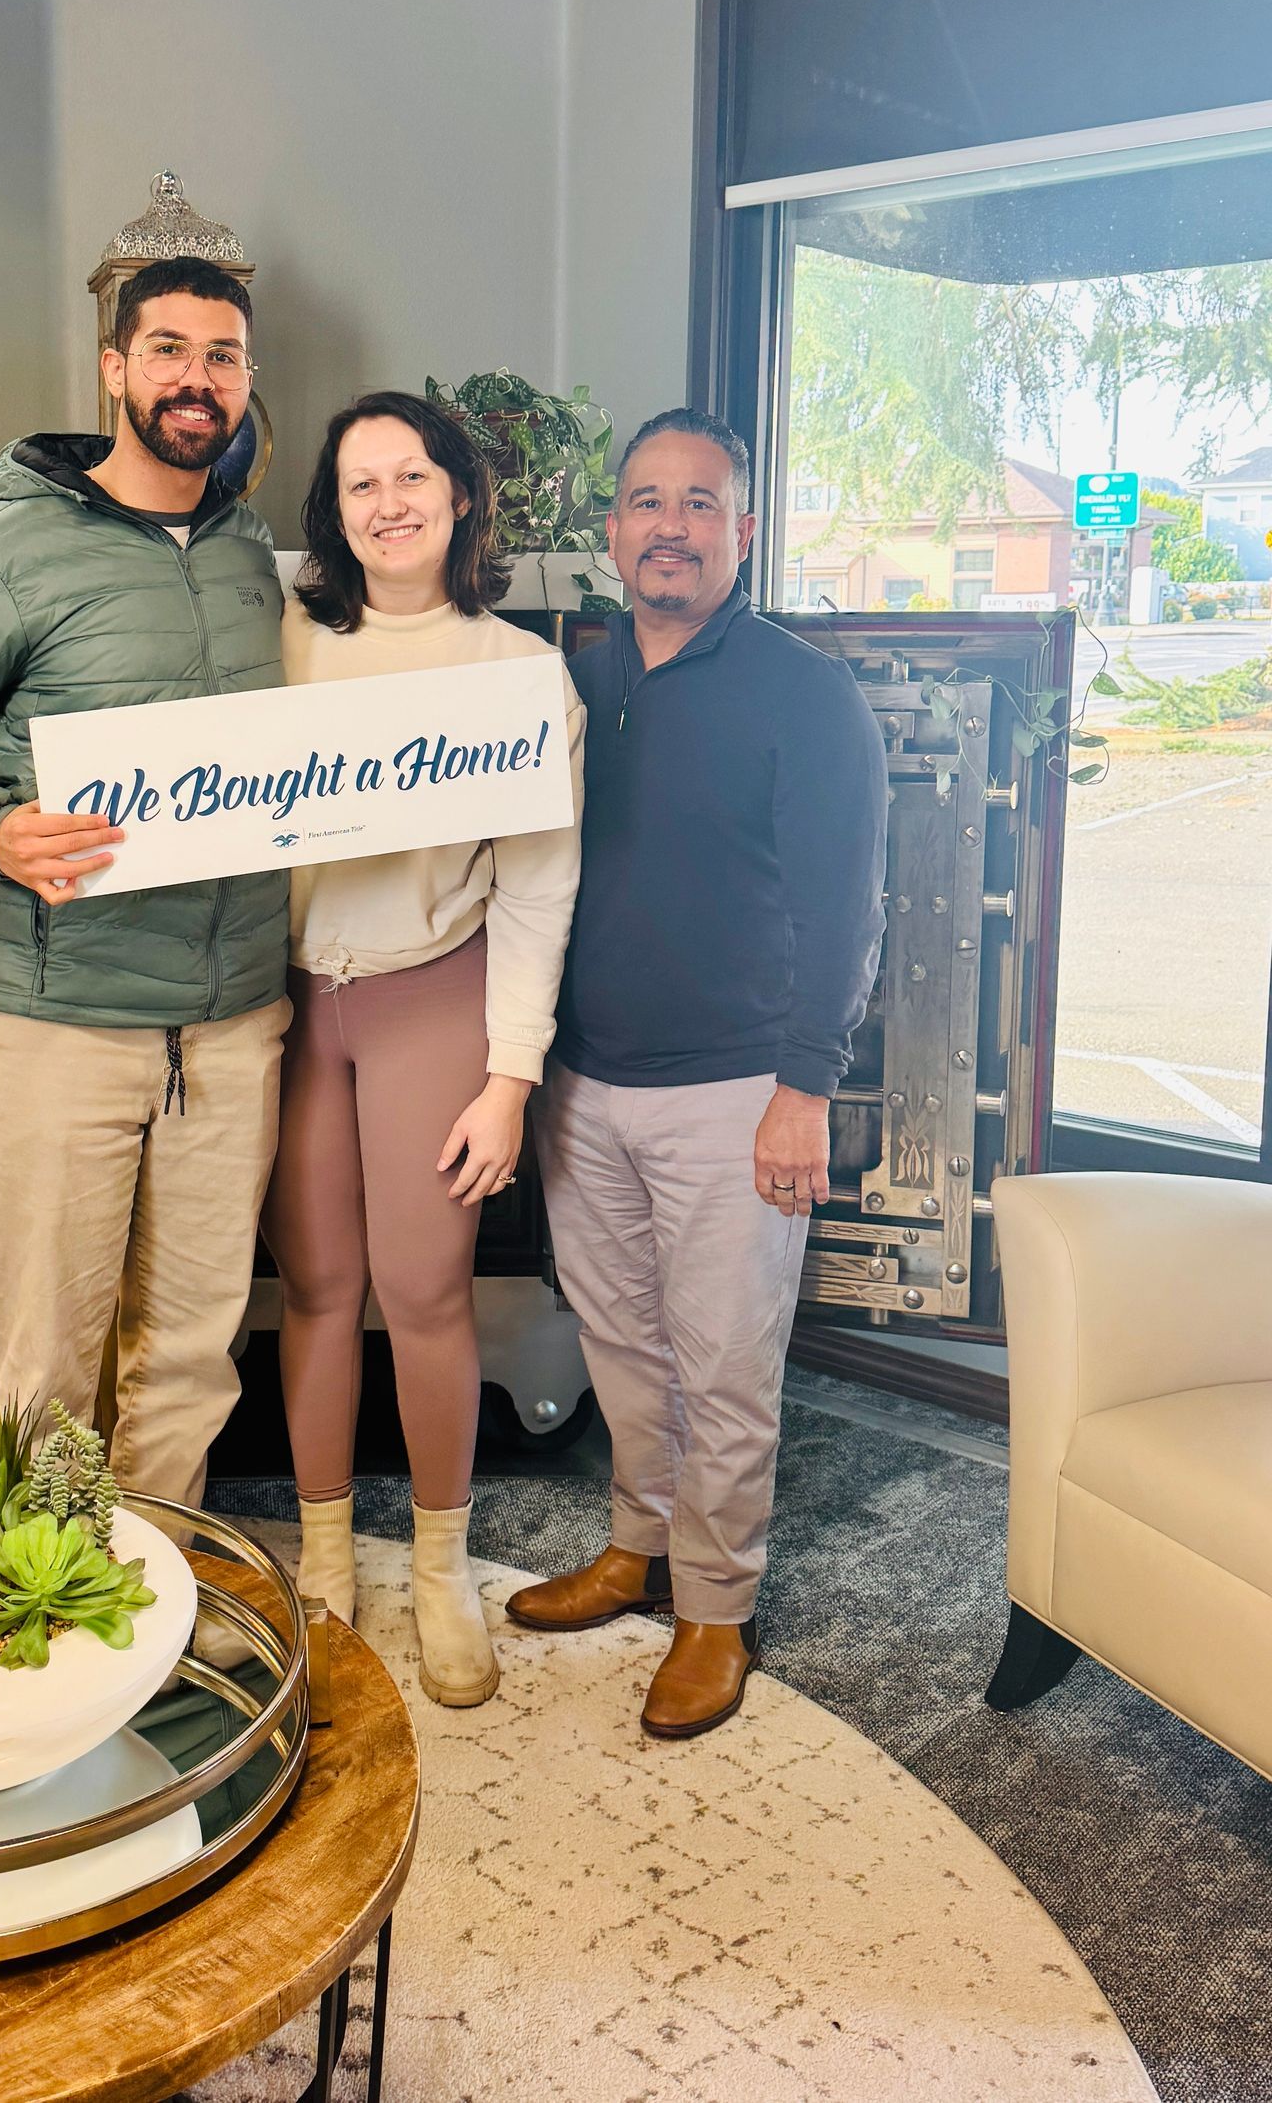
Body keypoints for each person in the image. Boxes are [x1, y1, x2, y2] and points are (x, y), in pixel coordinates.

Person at [0, 257, 291, 1507]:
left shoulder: (256, 551)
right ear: (114, 368)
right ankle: (47, 1646)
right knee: (46, 1375)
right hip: (56, 1022)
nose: (195, 379)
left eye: (222, 356)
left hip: (233, 1023)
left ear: (247, 379)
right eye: (167, 350)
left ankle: (159, 1613)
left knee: (196, 1358)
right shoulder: (0, 550)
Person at [507, 407, 886, 1739]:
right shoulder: (580, 681)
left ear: (742, 532)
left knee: (723, 1362)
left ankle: (715, 1608)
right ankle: (636, 1544)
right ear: (612, 531)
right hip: (588, 1085)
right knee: (622, 1344)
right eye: (647, 501)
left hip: (739, 1093)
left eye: (700, 504)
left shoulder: (805, 691)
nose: (670, 527)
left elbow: (847, 909)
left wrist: (806, 1086)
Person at [265, 391, 584, 1707]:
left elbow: (538, 888)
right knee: (319, 1286)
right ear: (334, 515)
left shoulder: (519, 674)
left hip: (431, 994)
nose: (389, 501)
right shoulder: (275, 645)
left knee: (427, 1284)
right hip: (289, 1002)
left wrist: (510, 1081)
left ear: (459, 495)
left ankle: (443, 1567)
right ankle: (330, 1561)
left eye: (413, 475)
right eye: (360, 484)